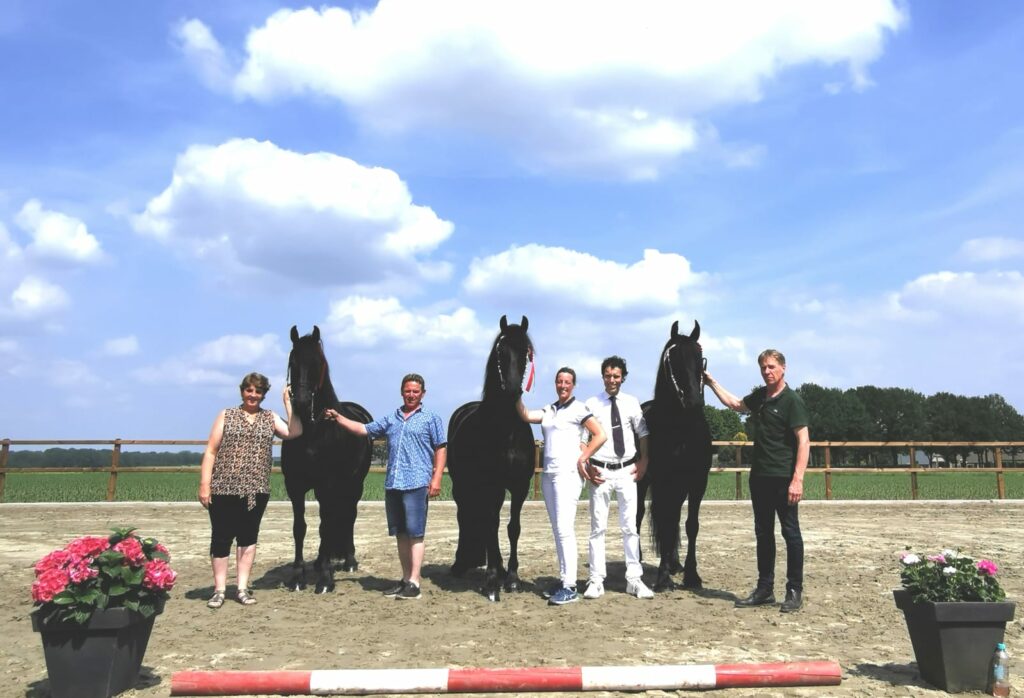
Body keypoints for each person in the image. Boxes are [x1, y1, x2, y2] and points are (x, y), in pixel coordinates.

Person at [704, 349, 810, 613]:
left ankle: (794, 590)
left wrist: (797, 479)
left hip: (784, 478)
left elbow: (803, 441)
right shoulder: (760, 397)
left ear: (783, 368)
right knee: (763, 534)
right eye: (763, 367)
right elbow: (735, 404)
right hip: (760, 478)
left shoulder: (792, 401)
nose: (767, 371)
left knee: (790, 533)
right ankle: (765, 589)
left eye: (771, 367)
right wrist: (711, 382)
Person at [326, 373, 446, 601]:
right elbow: (364, 429)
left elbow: (440, 447)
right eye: (408, 391)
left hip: (417, 483)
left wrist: (437, 477)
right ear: (402, 392)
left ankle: (415, 582)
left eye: (415, 391)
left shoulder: (431, 418)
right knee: (400, 534)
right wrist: (339, 418)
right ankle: (405, 579)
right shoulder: (392, 418)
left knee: (416, 534)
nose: (411, 395)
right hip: (394, 484)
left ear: (423, 394)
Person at [199, 372, 303, 609]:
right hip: (223, 487)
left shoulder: (270, 417)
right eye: (249, 390)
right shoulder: (227, 415)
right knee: (221, 538)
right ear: (242, 391)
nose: (253, 395)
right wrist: (205, 484)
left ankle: (242, 588)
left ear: (264, 395)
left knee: (248, 538)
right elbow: (211, 451)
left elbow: (294, 432)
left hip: (256, 490)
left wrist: (288, 403)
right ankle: (219, 590)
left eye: (258, 391)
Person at [517, 367, 606, 606]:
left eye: (567, 382)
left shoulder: (580, 409)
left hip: (568, 474)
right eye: (559, 381)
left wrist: (584, 457)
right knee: (558, 529)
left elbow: (600, 435)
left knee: (565, 529)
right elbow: (525, 415)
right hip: (549, 474)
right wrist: (516, 392)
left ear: (573, 385)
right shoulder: (550, 409)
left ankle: (570, 586)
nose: (563, 385)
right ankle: (565, 579)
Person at [582, 356, 654, 600]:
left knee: (630, 527)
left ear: (623, 377)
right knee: (597, 528)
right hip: (600, 471)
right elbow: (583, 438)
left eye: (616, 376)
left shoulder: (632, 403)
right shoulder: (591, 404)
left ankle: (634, 580)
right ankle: (596, 580)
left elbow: (643, 432)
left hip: (626, 471)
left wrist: (644, 461)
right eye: (608, 375)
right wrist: (587, 464)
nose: (611, 380)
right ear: (602, 376)